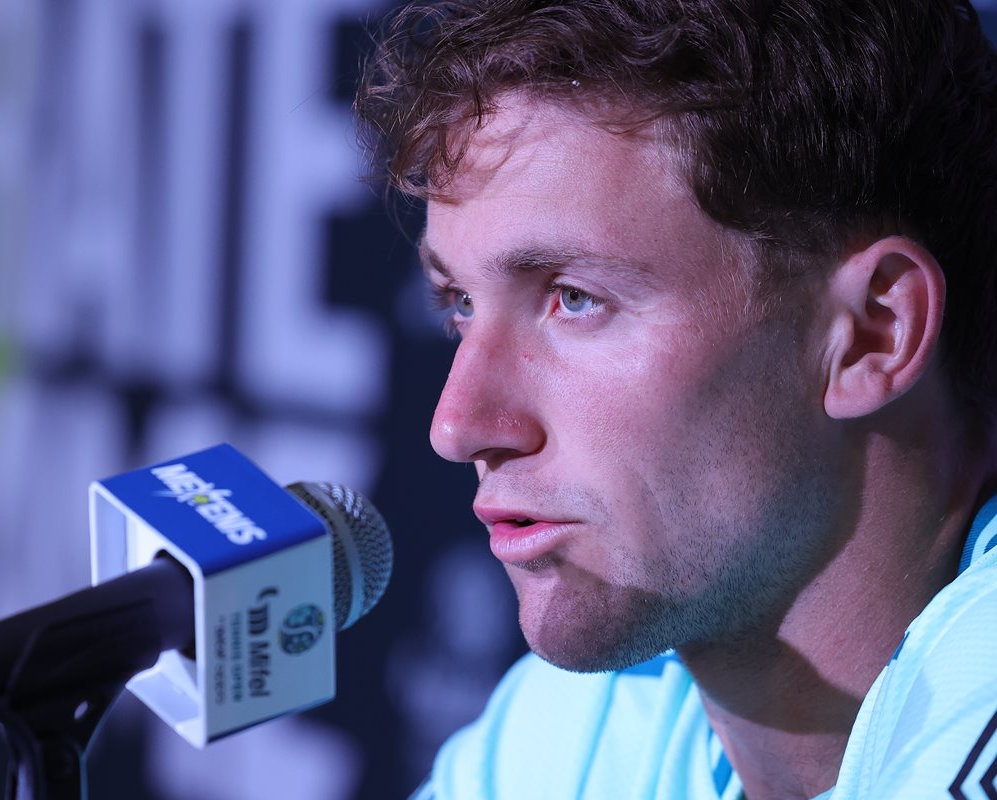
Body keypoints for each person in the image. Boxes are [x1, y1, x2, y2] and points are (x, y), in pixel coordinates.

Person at [354, 1, 997, 798]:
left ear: (871, 333)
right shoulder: (584, 723)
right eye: (459, 304)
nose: (457, 426)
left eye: (574, 298)